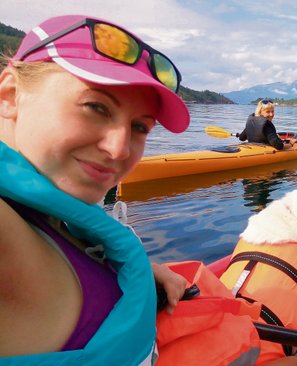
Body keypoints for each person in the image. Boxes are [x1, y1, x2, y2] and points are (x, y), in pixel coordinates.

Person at [0, 15, 192, 364]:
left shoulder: (51, 215)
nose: (119, 150)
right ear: (10, 95)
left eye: (139, 127)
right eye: (96, 107)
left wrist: (128, 270)